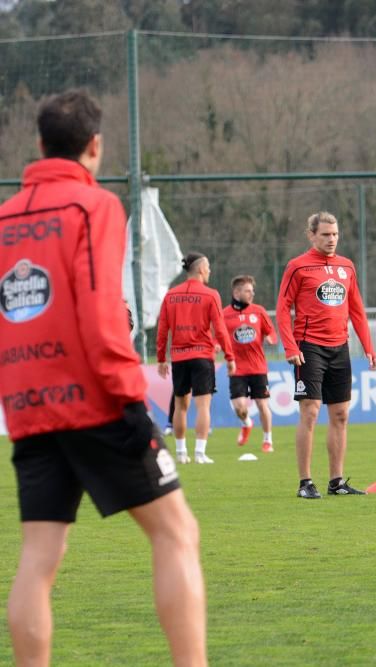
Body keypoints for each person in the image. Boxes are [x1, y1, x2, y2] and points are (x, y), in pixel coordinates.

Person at [0, 89, 206, 666]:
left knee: (38, 560)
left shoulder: (4, 219)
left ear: (39, 145)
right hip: (96, 402)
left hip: (30, 407)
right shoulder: (94, 208)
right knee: (176, 533)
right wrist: (130, 396)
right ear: (95, 147)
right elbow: (99, 314)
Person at [276, 211, 376, 499]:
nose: (331, 239)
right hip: (308, 347)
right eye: (325, 235)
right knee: (310, 412)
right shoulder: (297, 267)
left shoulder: (347, 267)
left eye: (334, 234)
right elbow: (283, 308)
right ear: (311, 235)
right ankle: (305, 482)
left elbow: (357, 310)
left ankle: (337, 482)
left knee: (341, 415)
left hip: (340, 347)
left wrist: (369, 348)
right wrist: (290, 346)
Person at [156, 252, 235, 464]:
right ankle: (200, 453)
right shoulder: (211, 295)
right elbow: (220, 328)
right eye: (207, 267)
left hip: (180, 358)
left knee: (180, 405)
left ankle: (181, 454)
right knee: (203, 406)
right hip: (202, 356)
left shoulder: (171, 295)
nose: (209, 270)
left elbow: (163, 329)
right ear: (201, 269)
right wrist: (229, 356)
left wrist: (161, 358)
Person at [221, 274, 277, 452]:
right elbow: (217, 337)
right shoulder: (224, 314)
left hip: (258, 367)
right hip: (237, 368)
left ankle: (268, 440)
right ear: (236, 292)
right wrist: (215, 346)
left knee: (262, 404)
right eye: (247, 291)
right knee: (240, 407)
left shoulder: (259, 311)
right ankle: (246, 423)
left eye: (252, 291)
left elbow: (272, 332)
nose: (252, 294)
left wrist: (270, 338)